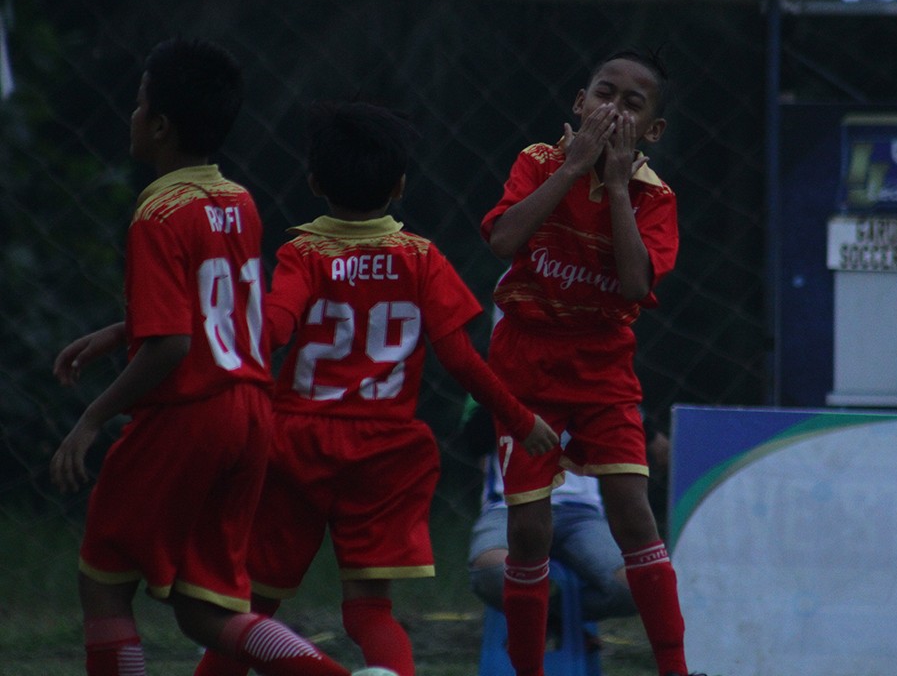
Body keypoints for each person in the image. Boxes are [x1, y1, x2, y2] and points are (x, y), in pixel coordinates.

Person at [193, 99, 559, 676]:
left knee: (252, 607)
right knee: (370, 611)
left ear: (314, 181)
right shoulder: (422, 259)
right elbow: (461, 360)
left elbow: (273, 331)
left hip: (296, 444)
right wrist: (520, 418)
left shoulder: (303, 253)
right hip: (386, 451)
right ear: (400, 186)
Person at [49, 37, 351, 676]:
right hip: (249, 415)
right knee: (204, 609)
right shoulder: (236, 201)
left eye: (137, 104)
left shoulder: (157, 212)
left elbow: (174, 345)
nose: (131, 116)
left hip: (187, 415)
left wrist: (93, 418)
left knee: (104, 580)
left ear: (158, 126)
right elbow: (212, 307)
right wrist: (116, 332)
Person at [481, 48, 695, 676]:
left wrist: (619, 186)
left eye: (633, 104)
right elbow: (502, 240)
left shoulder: (655, 197)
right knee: (527, 531)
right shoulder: (538, 162)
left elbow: (634, 287)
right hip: (526, 363)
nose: (614, 109)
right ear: (580, 103)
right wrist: (573, 170)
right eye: (605, 94)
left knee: (632, 508)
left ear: (652, 131)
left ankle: (674, 667)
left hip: (602, 365)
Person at [463, 398, 638, 633]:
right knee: (491, 570)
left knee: (636, 586)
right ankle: (554, 623)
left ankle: (554, 620)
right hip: (509, 506)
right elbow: (473, 440)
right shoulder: (498, 369)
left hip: (580, 512)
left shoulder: (592, 371)